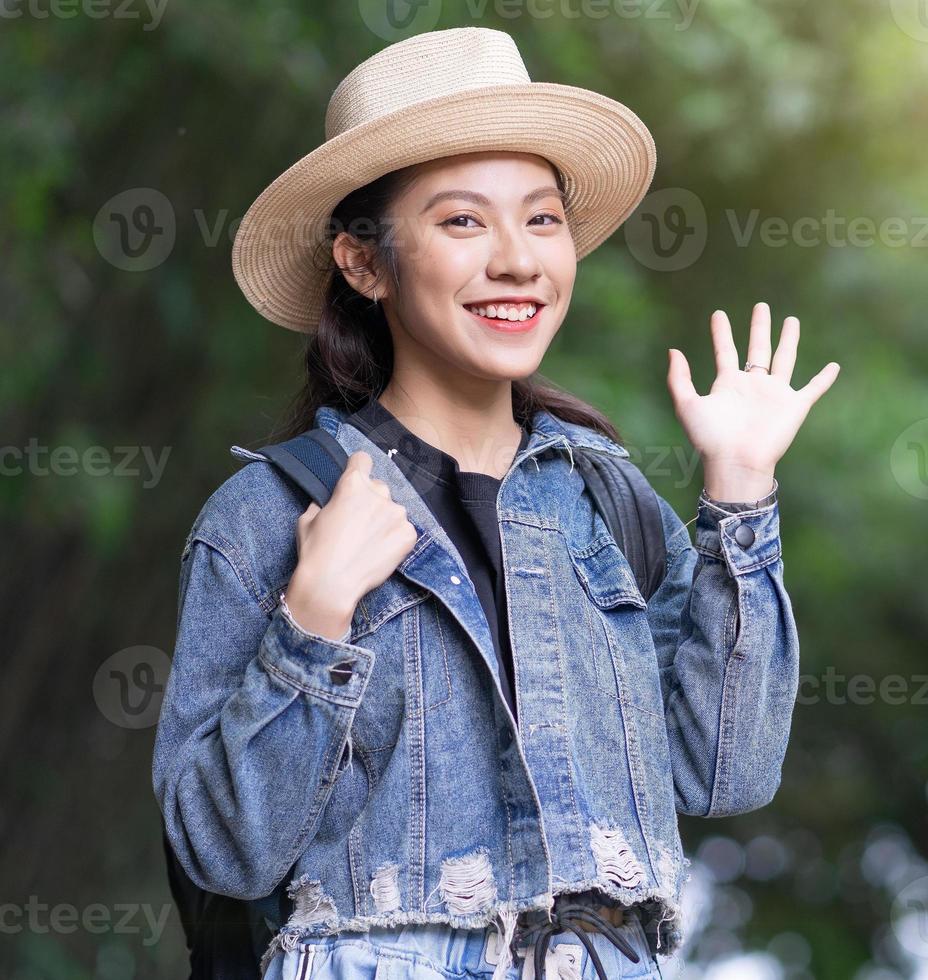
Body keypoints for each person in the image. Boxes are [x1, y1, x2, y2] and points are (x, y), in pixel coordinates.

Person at [150, 26, 839, 980]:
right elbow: (224, 852)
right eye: (464, 221)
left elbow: (724, 770)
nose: (518, 262)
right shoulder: (264, 517)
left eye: (543, 219)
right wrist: (313, 619)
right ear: (364, 262)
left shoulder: (603, 498)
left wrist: (742, 489)